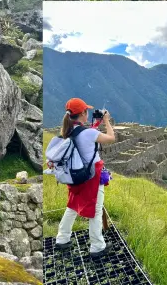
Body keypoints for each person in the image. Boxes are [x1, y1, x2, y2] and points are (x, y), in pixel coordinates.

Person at [53, 97, 115, 259]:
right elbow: (111, 138)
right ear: (82, 114)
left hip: (74, 176)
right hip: (91, 177)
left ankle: (62, 239)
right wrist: (107, 121)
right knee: (96, 210)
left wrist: (95, 126)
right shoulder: (89, 133)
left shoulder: (67, 131)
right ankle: (97, 247)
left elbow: (84, 137)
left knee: (72, 205)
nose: (87, 114)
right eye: (86, 111)